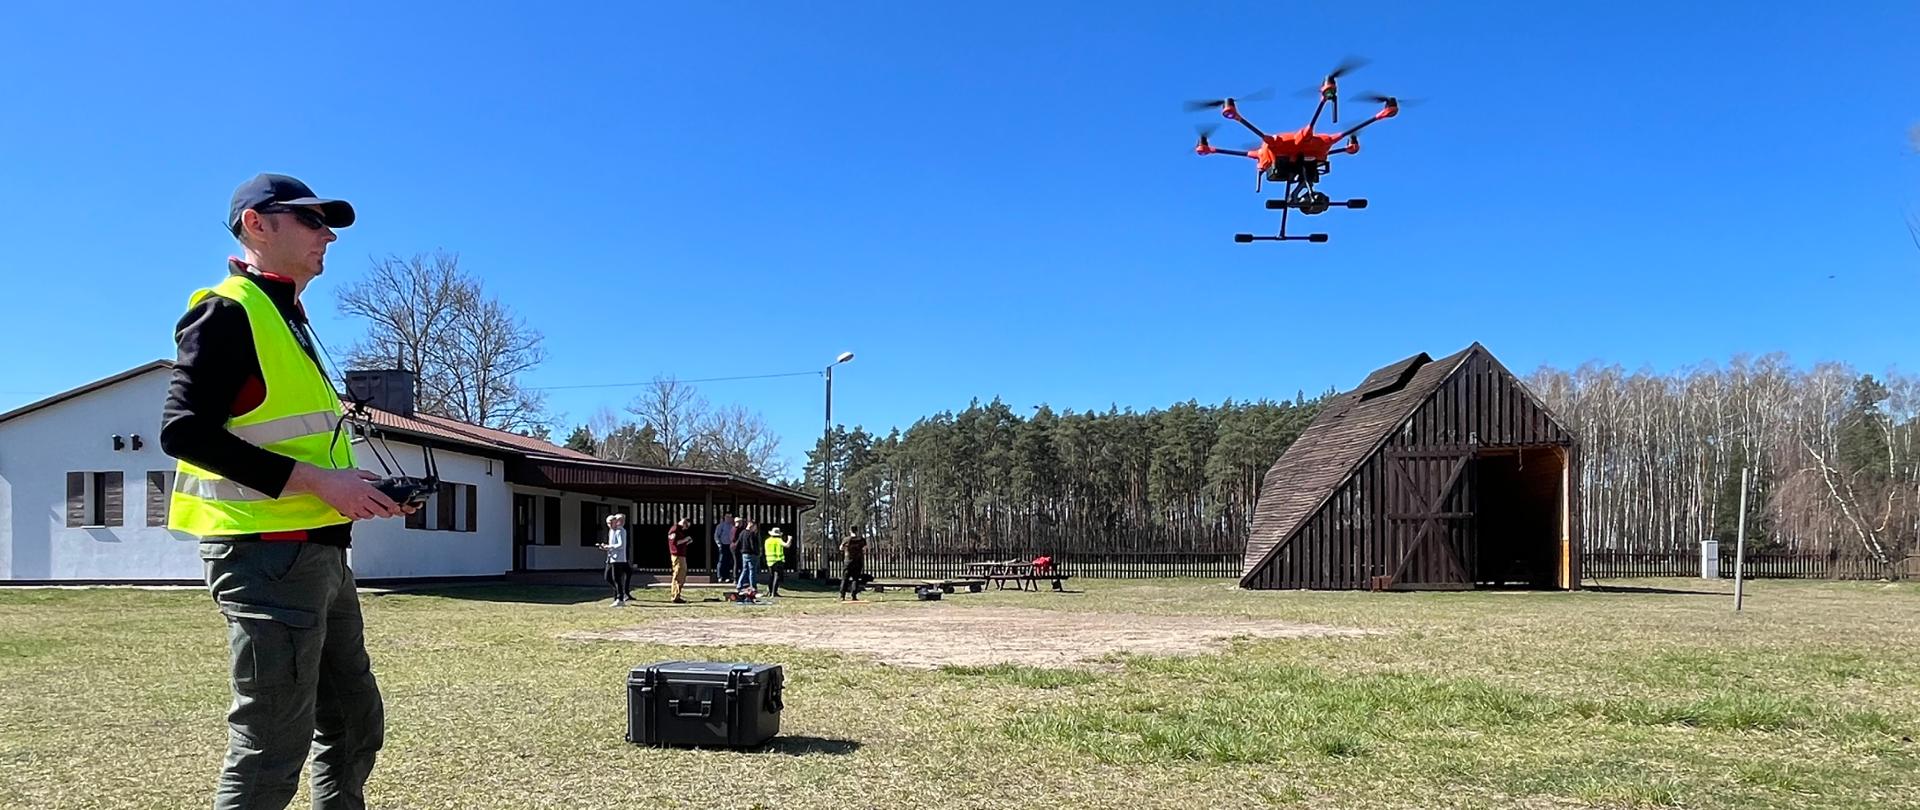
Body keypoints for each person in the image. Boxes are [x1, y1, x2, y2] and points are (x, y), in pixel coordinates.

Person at [161, 173, 407, 810]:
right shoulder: (227, 311)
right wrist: (320, 483)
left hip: (320, 556)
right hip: (264, 557)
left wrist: (359, 488)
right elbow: (183, 430)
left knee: (354, 721)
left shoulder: (287, 320)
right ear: (257, 225)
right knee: (272, 742)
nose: (327, 235)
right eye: (311, 220)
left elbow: (294, 440)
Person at [597, 513, 633, 606]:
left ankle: (620, 599)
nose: (610, 525)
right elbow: (611, 545)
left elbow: (621, 545)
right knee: (607, 577)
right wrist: (605, 547)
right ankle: (620, 593)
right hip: (611, 557)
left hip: (618, 558)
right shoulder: (611, 531)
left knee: (616, 578)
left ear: (615, 522)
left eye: (611, 523)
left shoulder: (620, 531)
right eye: (608, 523)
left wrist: (609, 547)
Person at [664, 517, 693, 603]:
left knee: (682, 575)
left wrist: (686, 542)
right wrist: (685, 539)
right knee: (678, 575)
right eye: (687, 526)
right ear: (684, 522)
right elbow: (674, 543)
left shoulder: (679, 530)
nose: (686, 528)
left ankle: (677, 594)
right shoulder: (675, 529)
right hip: (677, 555)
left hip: (681, 555)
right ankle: (675, 596)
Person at [839, 527, 870, 602]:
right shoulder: (861, 539)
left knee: (845, 578)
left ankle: (842, 596)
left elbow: (841, 548)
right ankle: (854, 595)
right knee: (855, 579)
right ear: (857, 530)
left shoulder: (846, 539)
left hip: (848, 561)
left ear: (850, 531)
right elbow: (865, 548)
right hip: (858, 561)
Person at [763, 527, 792, 597]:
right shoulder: (778, 540)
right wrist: (789, 539)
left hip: (769, 560)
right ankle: (774, 592)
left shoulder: (767, 541)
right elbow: (787, 545)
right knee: (777, 576)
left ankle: (769, 591)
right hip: (777, 560)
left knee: (771, 576)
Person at [734, 520, 763, 594]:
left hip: (744, 553)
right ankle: (753, 586)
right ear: (751, 525)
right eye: (754, 526)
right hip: (751, 554)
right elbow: (752, 545)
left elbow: (738, 543)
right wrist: (757, 553)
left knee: (744, 570)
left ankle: (739, 585)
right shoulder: (751, 534)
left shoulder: (742, 533)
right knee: (752, 570)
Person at [713, 512, 736, 583]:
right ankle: (719, 576)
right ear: (724, 517)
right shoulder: (721, 526)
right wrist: (719, 544)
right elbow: (716, 536)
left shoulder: (733, 526)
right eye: (727, 517)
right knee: (721, 560)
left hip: (730, 545)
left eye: (730, 517)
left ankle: (727, 576)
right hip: (723, 545)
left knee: (729, 561)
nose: (729, 518)